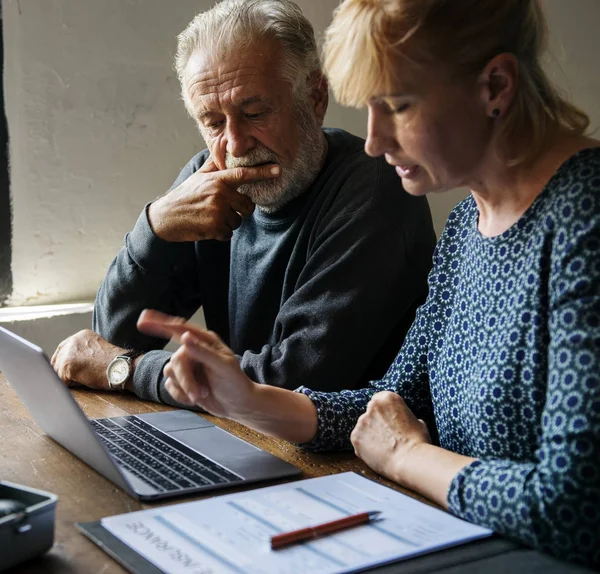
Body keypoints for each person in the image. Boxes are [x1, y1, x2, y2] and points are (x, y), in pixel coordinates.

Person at [137, 0, 600, 567]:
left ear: (495, 86)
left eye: (398, 106)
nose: (374, 142)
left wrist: (407, 456)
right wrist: (248, 399)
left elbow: (575, 506)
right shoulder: (467, 224)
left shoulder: (587, 221)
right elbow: (395, 399)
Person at [50, 0, 436, 404]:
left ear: (315, 97)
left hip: (344, 456)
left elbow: (292, 382)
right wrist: (154, 226)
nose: (235, 144)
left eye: (254, 113)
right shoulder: (209, 180)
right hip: (244, 436)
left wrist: (128, 371)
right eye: (213, 123)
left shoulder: (375, 192)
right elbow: (113, 336)